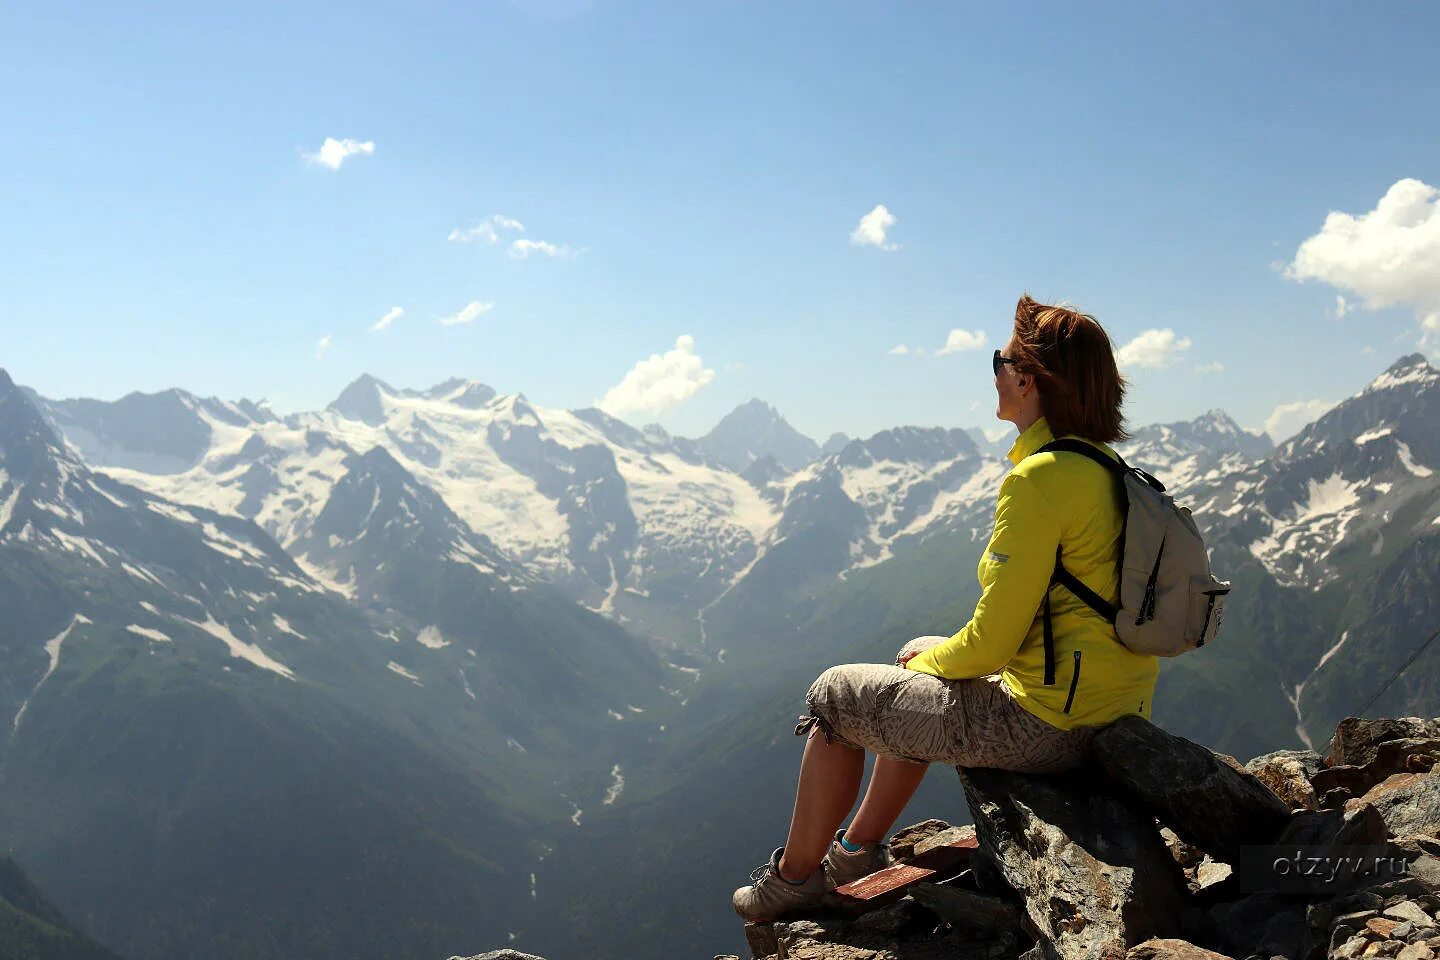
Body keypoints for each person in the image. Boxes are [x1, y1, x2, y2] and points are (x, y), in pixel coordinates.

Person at [732, 294, 1161, 922]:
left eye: (1000, 359)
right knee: (917, 664)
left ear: (1028, 377)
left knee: (835, 696)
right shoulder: (1108, 468)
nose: (994, 372)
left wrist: (935, 658)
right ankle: (855, 851)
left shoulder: (1038, 479)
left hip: (1047, 726)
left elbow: (989, 646)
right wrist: (931, 656)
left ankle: (793, 881)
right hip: (1114, 711)